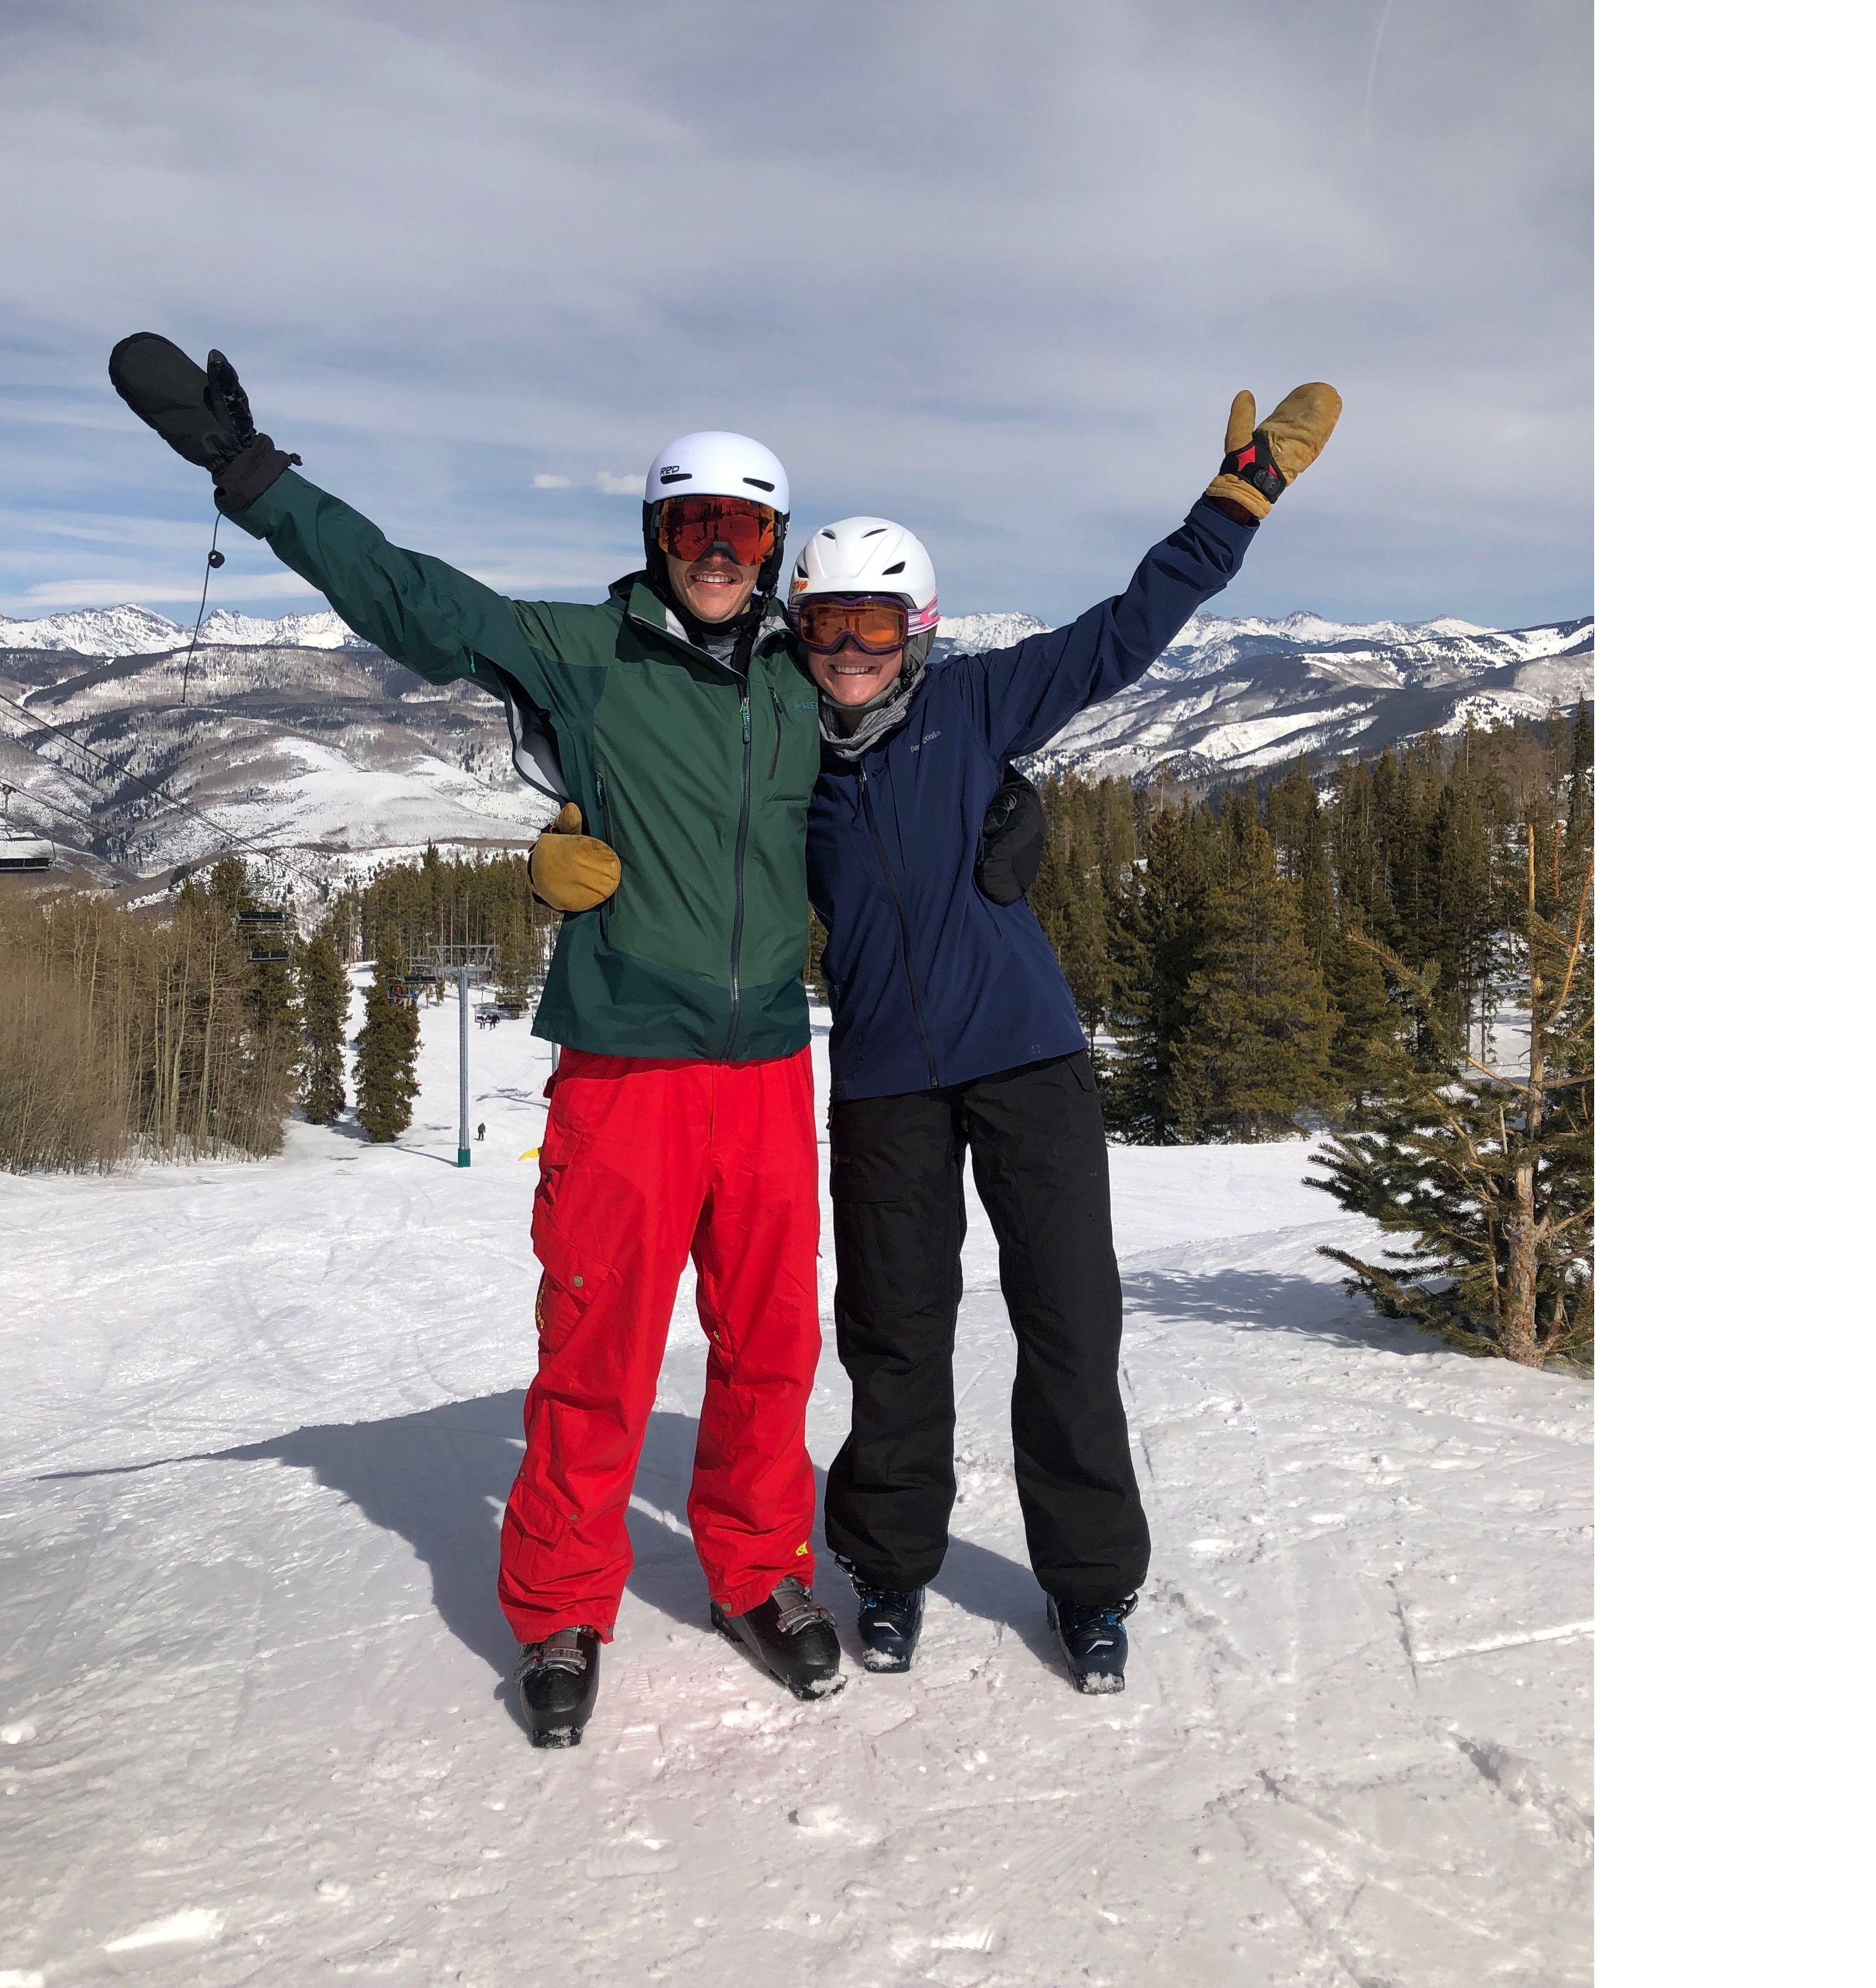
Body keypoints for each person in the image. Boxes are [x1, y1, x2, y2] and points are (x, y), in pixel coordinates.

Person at [108, 334, 846, 1746]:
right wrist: (255, 480)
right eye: (695, 524)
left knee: (771, 1344)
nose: (718, 552)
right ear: (657, 534)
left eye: (745, 530)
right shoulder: (586, 653)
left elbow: (917, 753)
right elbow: (412, 598)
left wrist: (1006, 818)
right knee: (599, 1347)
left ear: (774, 548)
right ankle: (562, 1604)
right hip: (628, 1063)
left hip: (765, 1070)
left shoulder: (804, 679)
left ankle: (759, 1571)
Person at [788, 384, 1340, 1693]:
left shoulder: (980, 703)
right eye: (826, 625)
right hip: (883, 1082)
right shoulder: (778, 756)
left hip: (1026, 1058)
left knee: (1070, 1325)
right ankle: (887, 1567)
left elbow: (1127, 630)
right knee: (894, 1334)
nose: (850, 650)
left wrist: (1237, 500)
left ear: (919, 631)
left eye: (875, 625)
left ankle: (1090, 1587)